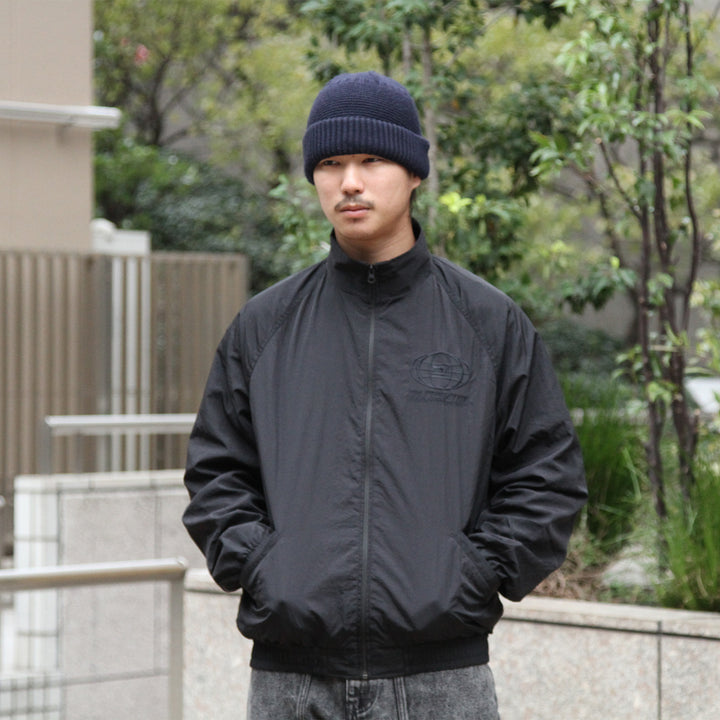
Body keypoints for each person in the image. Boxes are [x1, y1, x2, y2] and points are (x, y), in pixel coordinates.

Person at [183, 71, 587, 720]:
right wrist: (264, 564)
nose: (350, 182)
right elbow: (216, 471)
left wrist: (473, 572)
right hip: (292, 681)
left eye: (372, 161)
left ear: (414, 172)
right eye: (331, 164)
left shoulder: (488, 324)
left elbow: (547, 475)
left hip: (441, 680)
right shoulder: (265, 327)